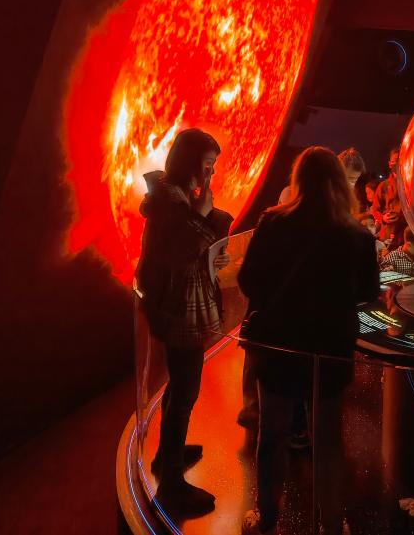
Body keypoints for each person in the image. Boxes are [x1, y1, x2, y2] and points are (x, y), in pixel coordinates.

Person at [238, 147, 380, 534]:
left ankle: (267, 518)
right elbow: (368, 292)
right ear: (339, 182)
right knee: (328, 441)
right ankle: (331, 523)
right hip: (330, 348)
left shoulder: (273, 222)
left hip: (278, 345)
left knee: (273, 434)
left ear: (298, 180)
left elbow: (248, 280)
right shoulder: (356, 234)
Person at [135, 128, 234, 515]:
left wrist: (212, 251)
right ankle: (171, 484)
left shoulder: (172, 198)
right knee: (185, 389)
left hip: (177, 304)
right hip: (178, 310)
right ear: (191, 162)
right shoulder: (171, 204)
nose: (211, 173)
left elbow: (193, 246)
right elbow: (185, 245)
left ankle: (167, 454)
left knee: (180, 385)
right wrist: (207, 216)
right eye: (207, 165)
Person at [371, 148, 404, 245]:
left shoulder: (410, 185)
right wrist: (383, 218)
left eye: (400, 160)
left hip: (405, 233)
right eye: (395, 160)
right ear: (390, 164)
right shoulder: (383, 186)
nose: (397, 163)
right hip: (388, 234)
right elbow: (375, 209)